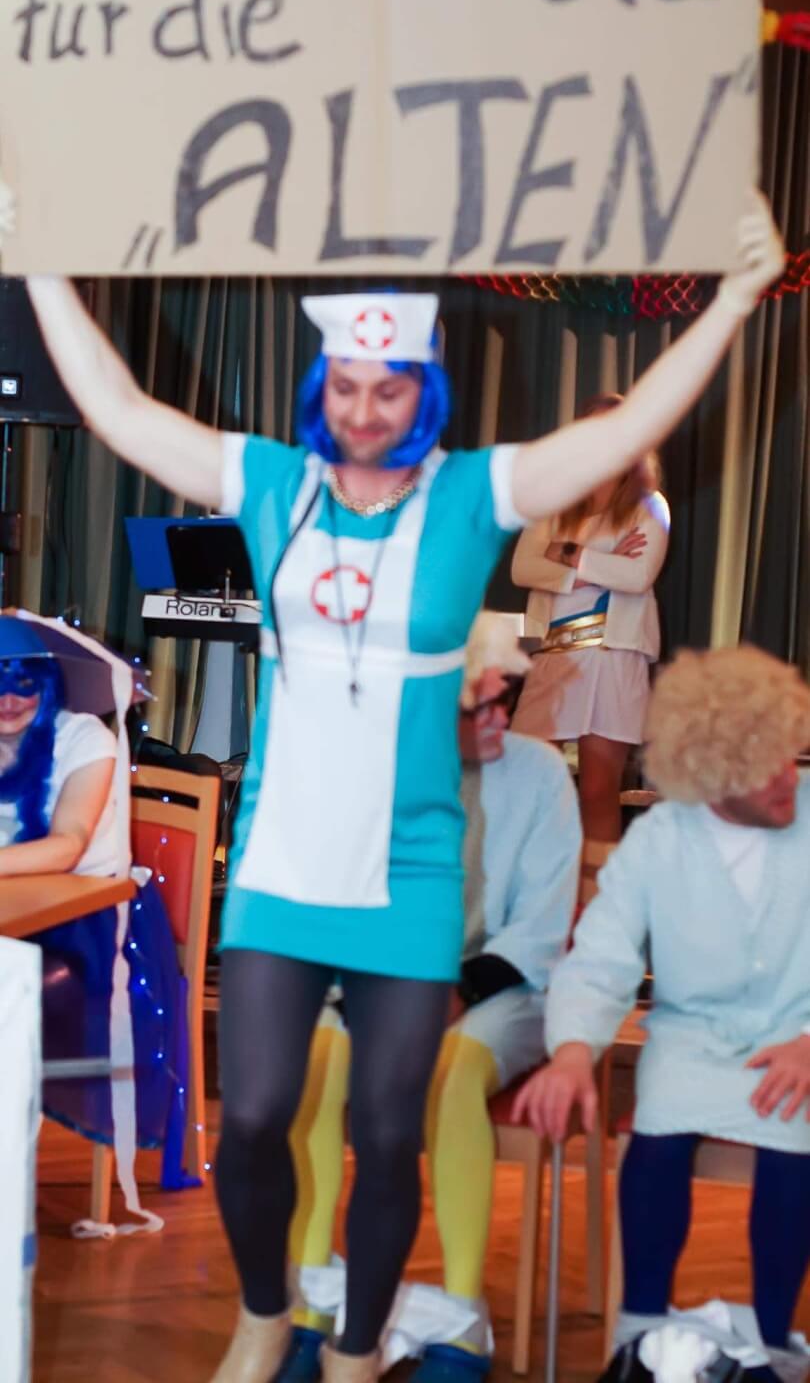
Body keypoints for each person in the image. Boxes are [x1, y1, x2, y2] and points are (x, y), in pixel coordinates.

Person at [19, 190, 784, 1383]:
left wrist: (734, 300)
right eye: (346, 386)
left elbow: (629, 427)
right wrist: (38, 265)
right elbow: (119, 410)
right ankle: (267, 1307)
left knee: (388, 1131)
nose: (365, 409)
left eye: (388, 389)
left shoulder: (470, 496)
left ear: (420, 394)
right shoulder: (272, 483)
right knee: (254, 1116)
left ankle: (359, 1345)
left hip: (412, 872)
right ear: (320, 389)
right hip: (283, 862)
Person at [283, 614, 581, 1382]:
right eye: (478, 707)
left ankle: (460, 1324)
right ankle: (310, 1306)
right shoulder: (377, 775)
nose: (499, 718)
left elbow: (542, 927)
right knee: (317, 1065)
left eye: (505, 700)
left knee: (450, 1077)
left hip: (504, 987)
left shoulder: (543, 774)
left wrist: (456, 990)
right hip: (385, 978)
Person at [513, 646, 810, 1383]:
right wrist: (573, 1050)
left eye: (792, 754)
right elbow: (601, 956)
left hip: (794, 1040)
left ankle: (772, 1342)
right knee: (658, 1135)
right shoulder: (660, 839)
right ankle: (640, 1333)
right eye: (767, 766)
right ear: (712, 776)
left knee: (792, 1134)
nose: (789, 776)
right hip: (689, 1040)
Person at [0, 612, 188, 1232]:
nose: (9, 699)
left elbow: (67, 846)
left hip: (96, 925)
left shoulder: (85, 739)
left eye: (24, 681)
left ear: (47, 682)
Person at [511, 397, 669, 913]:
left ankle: (596, 917)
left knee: (599, 793)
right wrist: (597, 565)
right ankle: (531, 908)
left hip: (614, 655)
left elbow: (637, 576)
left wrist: (568, 554)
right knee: (527, 782)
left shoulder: (649, 506)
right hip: (555, 656)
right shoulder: (558, 500)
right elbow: (522, 569)